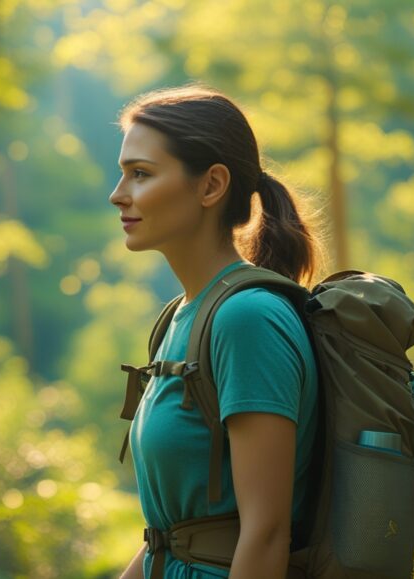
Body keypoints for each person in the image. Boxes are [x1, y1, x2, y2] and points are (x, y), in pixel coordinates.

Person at [111, 85, 322, 579]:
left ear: (210, 186)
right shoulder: (180, 317)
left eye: (140, 174)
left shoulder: (248, 320)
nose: (118, 194)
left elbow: (266, 535)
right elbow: (173, 534)